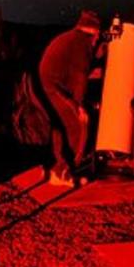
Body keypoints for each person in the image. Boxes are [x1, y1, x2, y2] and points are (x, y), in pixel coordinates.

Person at [37, 10, 102, 188]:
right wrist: (79, 106)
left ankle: (53, 168)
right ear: (94, 33)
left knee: (60, 128)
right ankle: (63, 172)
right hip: (54, 88)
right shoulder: (82, 45)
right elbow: (79, 78)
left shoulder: (70, 38)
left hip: (42, 86)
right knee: (79, 125)